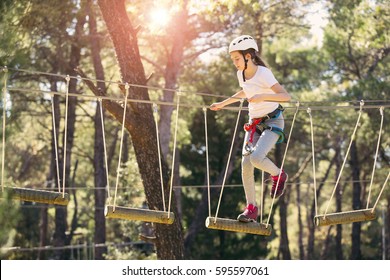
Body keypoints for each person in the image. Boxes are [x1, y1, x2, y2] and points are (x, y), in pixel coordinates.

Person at [210, 35, 291, 223]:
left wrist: (263, 96)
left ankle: (279, 175)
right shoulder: (241, 74)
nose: (234, 63)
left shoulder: (264, 73)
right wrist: (223, 104)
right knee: (246, 164)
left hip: (272, 122)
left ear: (248, 56)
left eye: (237, 59)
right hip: (254, 124)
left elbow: (285, 96)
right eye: (233, 60)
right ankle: (251, 208)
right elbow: (245, 91)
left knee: (256, 158)